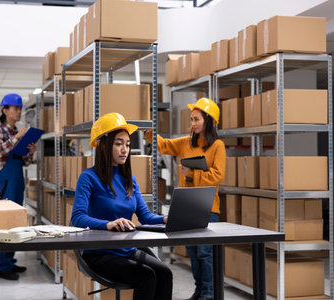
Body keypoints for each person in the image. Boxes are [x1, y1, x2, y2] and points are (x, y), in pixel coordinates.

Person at [71, 112, 173, 300]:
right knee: (147, 276)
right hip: (99, 253)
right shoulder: (88, 178)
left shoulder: (129, 180)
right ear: (102, 146)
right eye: (118, 143)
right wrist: (107, 224)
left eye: (127, 144)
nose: (124, 149)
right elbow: (77, 217)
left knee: (165, 273)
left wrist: (167, 218)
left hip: (127, 249)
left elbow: (145, 217)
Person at [145, 98, 226, 300]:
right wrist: (147, 129)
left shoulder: (217, 146)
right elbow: (163, 145)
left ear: (208, 120)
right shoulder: (185, 143)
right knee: (193, 252)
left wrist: (191, 175)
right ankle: (199, 291)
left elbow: (217, 176)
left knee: (205, 253)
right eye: (191, 119)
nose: (193, 124)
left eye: (196, 119)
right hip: (186, 207)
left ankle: (208, 293)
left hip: (208, 207)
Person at [0, 93, 37, 280]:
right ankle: (3, 267)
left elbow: (24, 161)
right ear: (5, 110)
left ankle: (10, 261)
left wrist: (30, 152)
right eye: (15, 108)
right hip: (5, 181)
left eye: (20, 109)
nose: (19, 112)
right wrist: (17, 136)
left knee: (16, 222)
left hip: (17, 180)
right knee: (3, 222)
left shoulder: (16, 132)